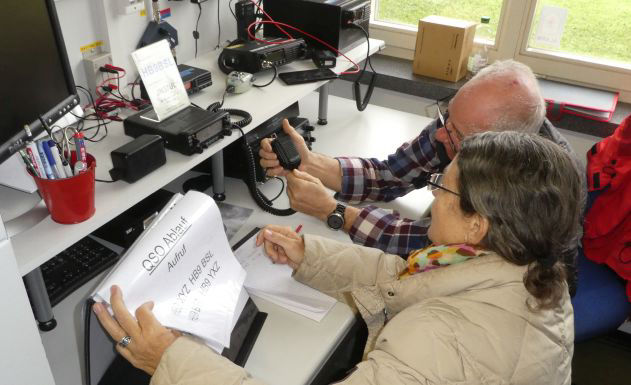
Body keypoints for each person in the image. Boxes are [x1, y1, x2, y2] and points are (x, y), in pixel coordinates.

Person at [93, 131, 584, 385]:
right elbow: (409, 275)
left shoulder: (442, 340)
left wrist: (172, 360)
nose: (433, 197)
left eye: (442, 188)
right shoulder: (533, 270)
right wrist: (310, 255)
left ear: (478, 224)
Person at [259, 59, 578, 256]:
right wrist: (311, 162)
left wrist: (333, 210)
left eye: (456, 134)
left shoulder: (538, 190)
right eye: (447, 116)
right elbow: (388, 176)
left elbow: (433, 246)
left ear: (496, 153)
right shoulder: (460, 125)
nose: (440, 134)